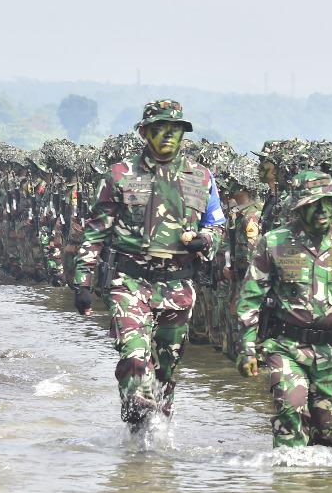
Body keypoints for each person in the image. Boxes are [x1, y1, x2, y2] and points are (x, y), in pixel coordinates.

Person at [72, 100, 224, 428]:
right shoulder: (120, 174)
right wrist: (82, 279)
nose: (168, 135)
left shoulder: (201, 177)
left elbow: (216, 226)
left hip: (178, 283)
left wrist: (205, 240)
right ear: (145, 133)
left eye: (175, 129)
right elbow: (96, 230)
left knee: (168, 365)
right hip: (129, 280)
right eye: (160, 129)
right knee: (134, 353)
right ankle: (134, 407)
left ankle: (155, 432)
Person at [235, 170, 332, 448]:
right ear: (299, 207)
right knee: (290, 416)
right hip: (287, 347)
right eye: (313, 204)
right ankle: (289, 487)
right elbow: (250, 299)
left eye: (327, 203)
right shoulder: (274, 242)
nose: (321, 210)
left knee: (326, 436)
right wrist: (246, 349)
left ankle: (320, 488)